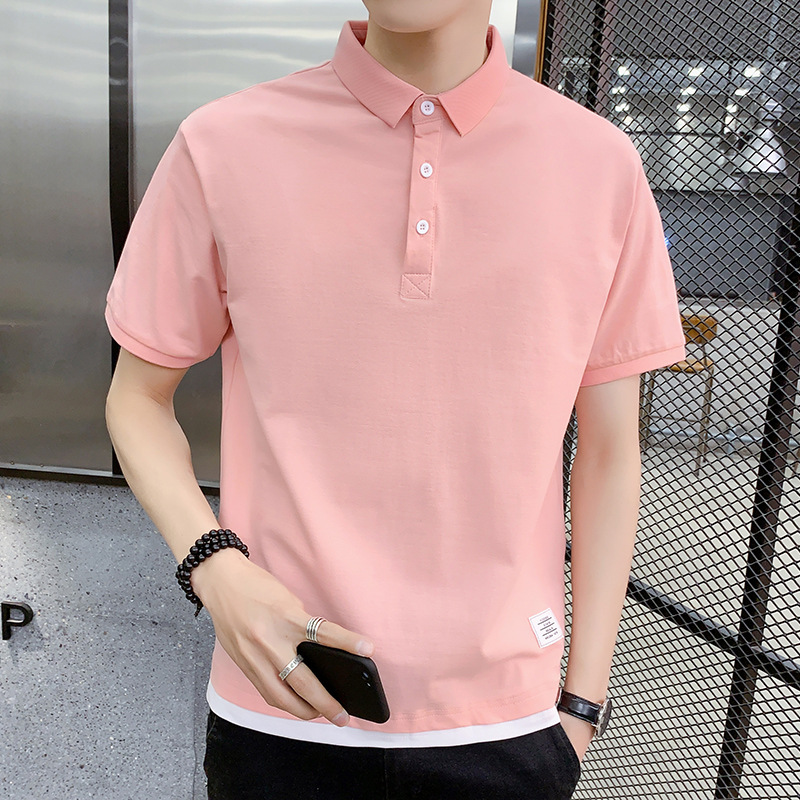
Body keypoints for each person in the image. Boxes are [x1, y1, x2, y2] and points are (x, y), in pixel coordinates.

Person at [103, 1, 687, 798]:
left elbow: (612, 451)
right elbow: (137, 398)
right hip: (282, 708)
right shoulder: (223, 145)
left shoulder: (598, 165)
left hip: (507, 726)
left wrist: (582, 704)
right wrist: (214, 566)